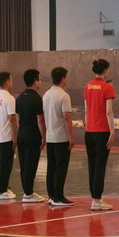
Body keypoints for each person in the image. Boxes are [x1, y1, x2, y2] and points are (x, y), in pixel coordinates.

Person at [84, 59, 115, 211]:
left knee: (92, 164)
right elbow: (108, 112)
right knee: (100, 165)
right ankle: (97, 199)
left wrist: (87, 127)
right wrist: (112, 131)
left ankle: (95, 196)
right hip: (102, 131)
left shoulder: (88, 86)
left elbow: (86, 110)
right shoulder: (107, 87)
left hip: (89, 131)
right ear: (105, 71)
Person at [43, 67, 75, 206]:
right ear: (63, 78)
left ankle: (51, 195)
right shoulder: (64, 96)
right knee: (61, 168)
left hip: (50, 136)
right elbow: (67, 117)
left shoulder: (46, 95)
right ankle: (59, 197)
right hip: (61, 137)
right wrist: (71, 137)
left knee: (51, 167)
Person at [16, 69, 46, 204]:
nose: (41, 82)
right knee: (31, 165)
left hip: (21, 134)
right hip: (33, 136)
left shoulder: (20, 97)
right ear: (35, 81)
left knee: (24, 165)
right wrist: (44, 136)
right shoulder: (37, 99)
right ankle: (28, 193)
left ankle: (27, 191)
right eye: (40, 79)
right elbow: (40, 120)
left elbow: (18, 118)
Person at [0, 72, 18, 201]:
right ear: (7, 82)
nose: (12, 82)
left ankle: (2, 188)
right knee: (6, 165)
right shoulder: (9, 98)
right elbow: (12, 118)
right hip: (6, 137)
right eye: (11, 80)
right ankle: (2, 190)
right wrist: (15, 136)